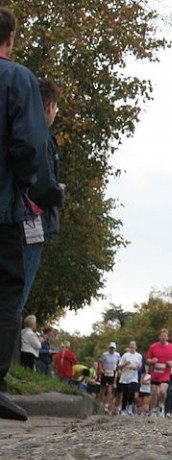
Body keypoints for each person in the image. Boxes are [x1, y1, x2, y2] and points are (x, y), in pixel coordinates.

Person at [0, 7, 56, 420]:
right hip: (3, 206)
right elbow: (30, 145)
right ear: (11, 38)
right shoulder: (18, 78)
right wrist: (26, 182)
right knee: (6, 290)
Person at [21, 77, 64, 311]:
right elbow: (43, 186)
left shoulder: (15, 131)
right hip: (31, 223)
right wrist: (59, 192)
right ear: (49, 108)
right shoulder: (42, 138)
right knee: (17, 298)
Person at [145, 328, 172, 416]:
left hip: (165, 373)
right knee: (154, 393)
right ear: (159, 337)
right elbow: (147, 359)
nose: (163, 337)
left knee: (162, 391)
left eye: (165, 336)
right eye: (161, 336)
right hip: (155, 373)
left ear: (167, 337)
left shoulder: (171, 347)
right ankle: (153, 410)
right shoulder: (153, 346)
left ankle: (161, 404)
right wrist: (152, 361)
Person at [117, 341, 142, 415]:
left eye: (134, 345)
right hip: (125, 377)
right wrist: (125, 364)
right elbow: (119, 366)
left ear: (136, 347)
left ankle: (130, 406)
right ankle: (124, 408)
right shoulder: (125, 355)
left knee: (132, 390)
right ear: (129, 347)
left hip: (134, 376)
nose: (132, 347)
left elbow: (139, 366)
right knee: (125, 393)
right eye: (131, 345)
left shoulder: (139, 356)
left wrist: (137, 367)